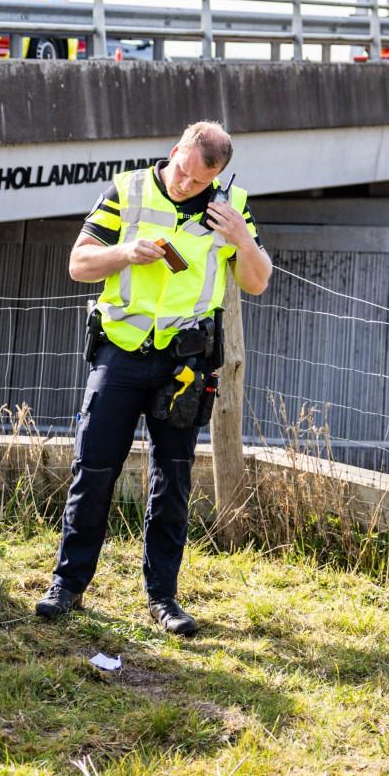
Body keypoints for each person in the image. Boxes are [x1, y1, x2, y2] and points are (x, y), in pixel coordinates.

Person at [35, 121, 272, 636]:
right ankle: (67, 585)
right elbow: (79, 263)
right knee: (93, 469)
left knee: (174, 479)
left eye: (199, 181)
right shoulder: (128, 191)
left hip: (184, 364)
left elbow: (256, 282)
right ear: (175, 152)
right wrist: (126, 251)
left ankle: (163, 597)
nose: (187, 185)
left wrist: (242, 240)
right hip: (120, 354)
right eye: (183, 173)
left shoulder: (230, 208)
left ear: (218, 175)